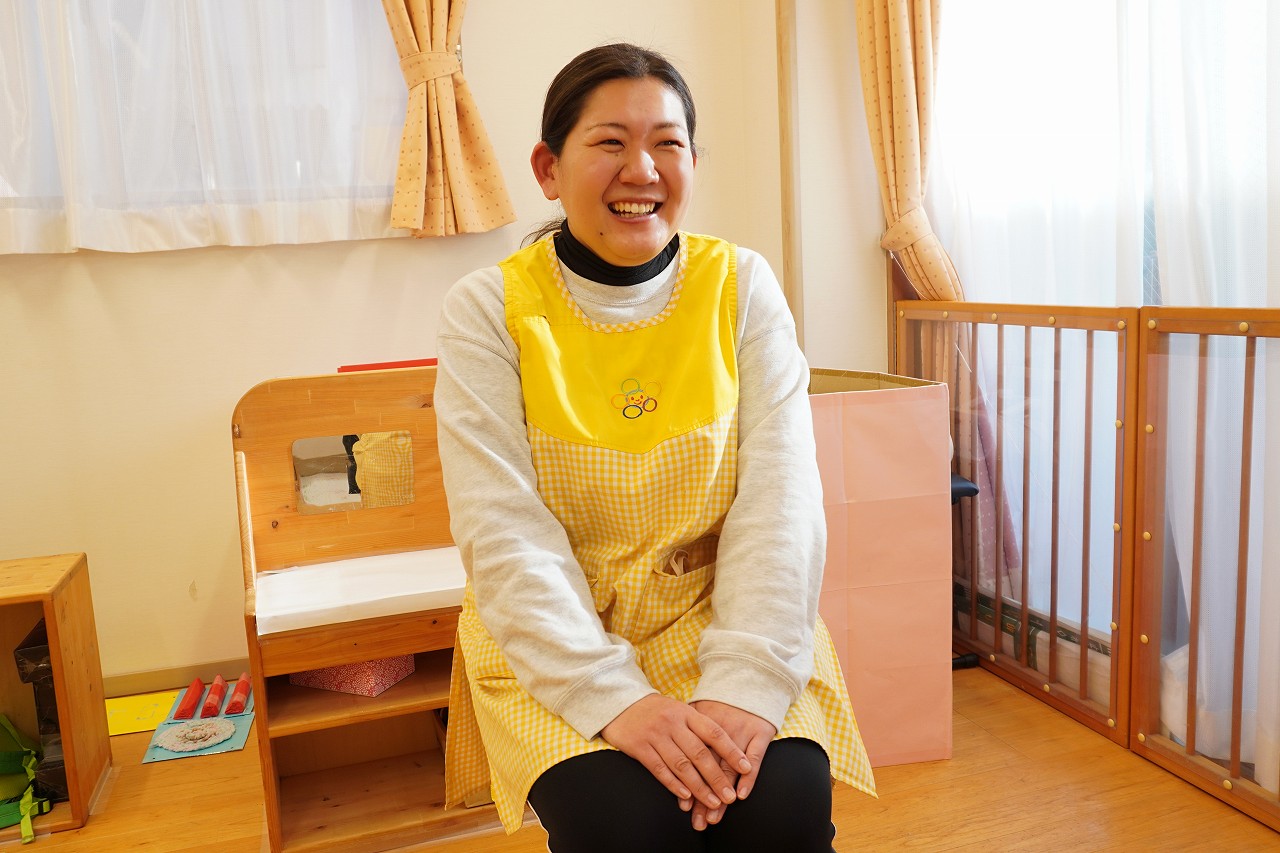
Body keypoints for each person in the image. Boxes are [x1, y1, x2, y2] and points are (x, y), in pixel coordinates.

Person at [434, 42, 876, 853]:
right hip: (560, 634)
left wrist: (746, 683)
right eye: (610, 142)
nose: (641, 169)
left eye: (667, 143)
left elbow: (782, 502)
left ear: (692, 164)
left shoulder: (742, 286)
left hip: (723, 616)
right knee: (629, 825)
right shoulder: (489, 309)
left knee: (782, 806)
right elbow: (503, 534)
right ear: (548, 168)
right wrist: (612, 697)